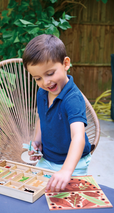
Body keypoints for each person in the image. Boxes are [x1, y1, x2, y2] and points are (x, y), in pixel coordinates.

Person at [22, 34, 91, 192]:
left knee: (68, 200)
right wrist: (37, 142)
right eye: (37, 78)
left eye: (50, 73)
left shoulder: (72, 98)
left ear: (66, 63)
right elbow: (42, 117)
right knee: (34, 193)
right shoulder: (42, 93)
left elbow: (78, 137)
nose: (45, 82)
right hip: (47, 159)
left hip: (74, 163)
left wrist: (66, 171)